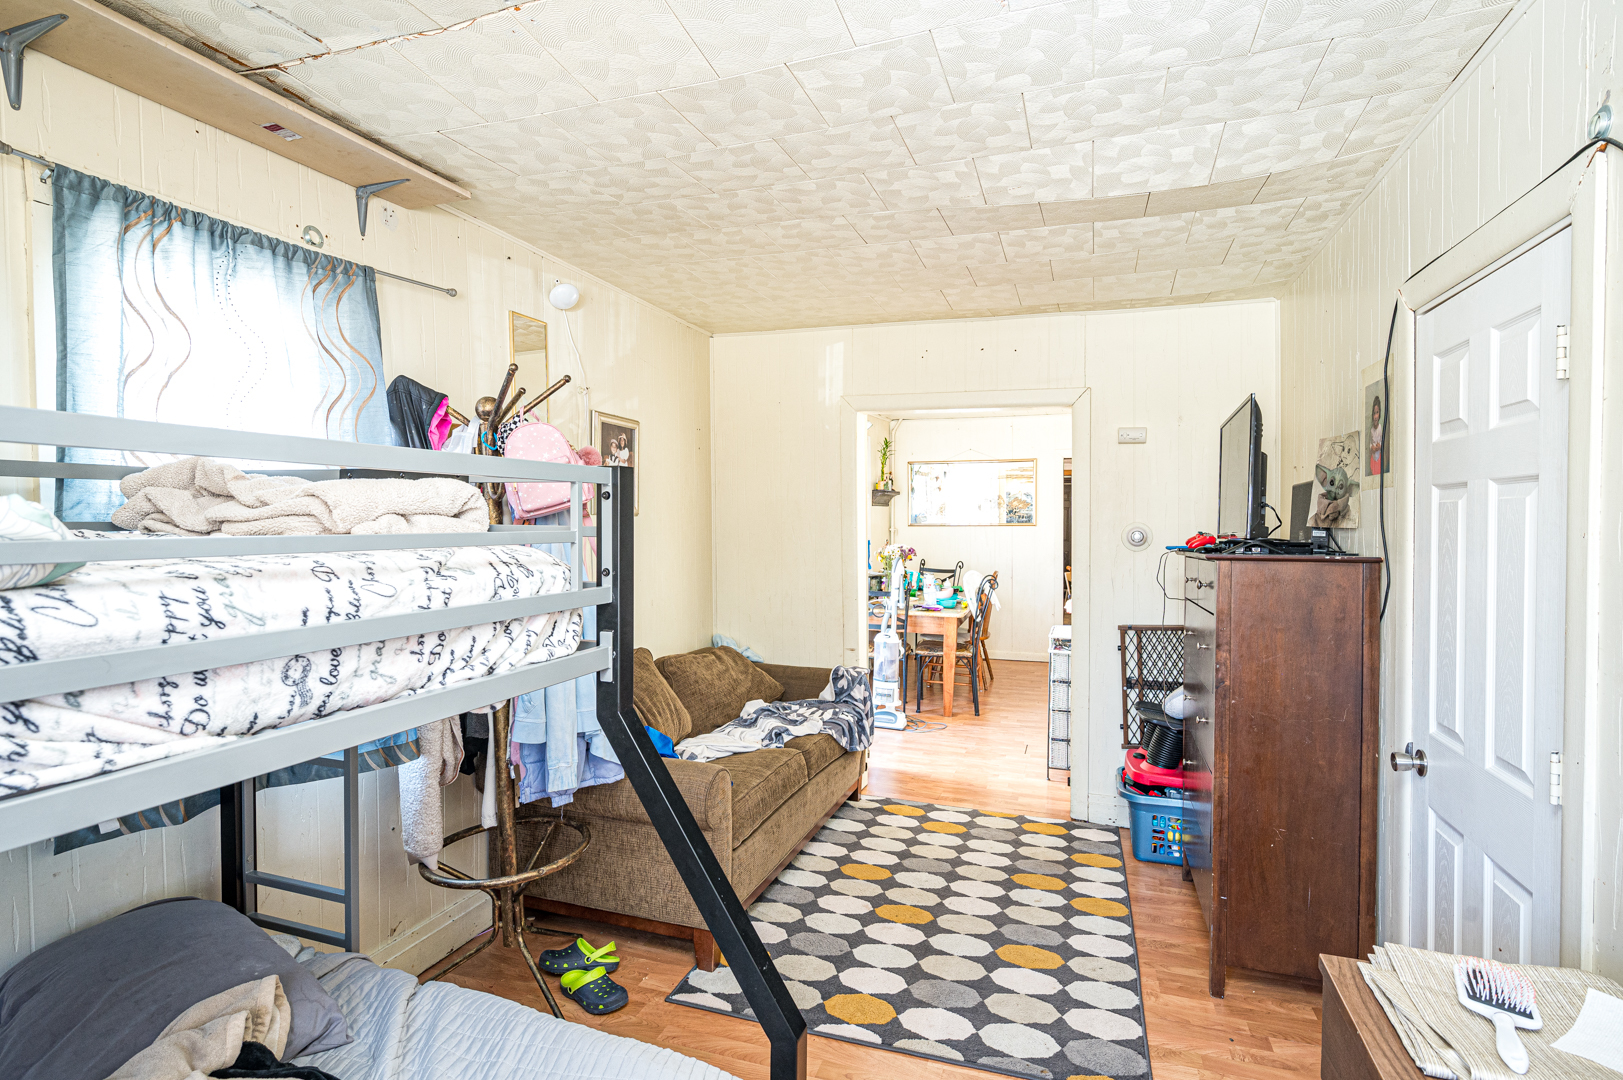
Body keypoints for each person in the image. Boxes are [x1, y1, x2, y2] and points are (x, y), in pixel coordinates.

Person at [1367, 395, 1383, 476]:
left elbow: (1382, 440)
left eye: (1377, 413)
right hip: (1373, 457)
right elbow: (1370, 442)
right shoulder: (1371, 430)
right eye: (1374, 413)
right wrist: (1371, 447)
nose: (1375, 416)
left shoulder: (1380, 427)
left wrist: (1379, 445)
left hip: (1378, 457)